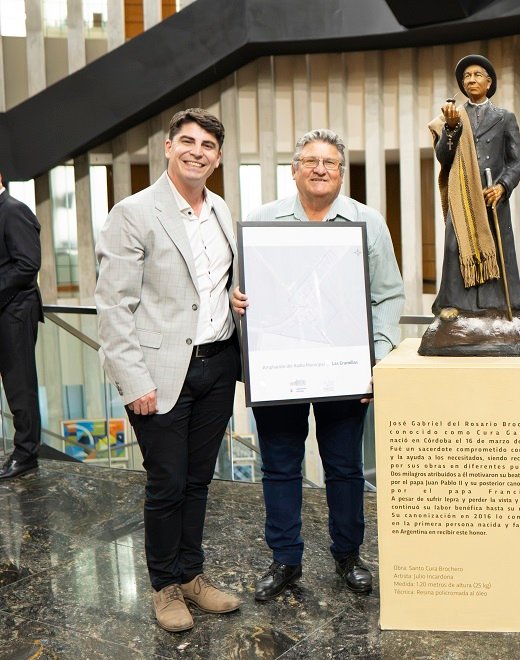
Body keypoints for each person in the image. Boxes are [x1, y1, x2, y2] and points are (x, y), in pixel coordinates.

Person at [232, 129, 403, 602]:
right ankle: (285, 559)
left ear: (341, 173)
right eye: (311, 161)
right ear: (295, 170)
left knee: (345, 468)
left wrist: (375, 359)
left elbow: (389, 295)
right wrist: (236, 300)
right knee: (279, 467)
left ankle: (348, 556)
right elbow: (239, 290)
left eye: (330, 163)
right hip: (278, 366)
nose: (321, 169)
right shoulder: (262, 220)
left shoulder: (367, 222)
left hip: (345, 368)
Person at [95, 108, 242, 632]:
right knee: (167, 482)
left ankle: (192, 574)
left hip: (218, 363)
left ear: (217, 157)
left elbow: (213, 284)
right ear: (168, 147)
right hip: (159, 372)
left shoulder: (220, 209)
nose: (197, 152)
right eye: (188, 141)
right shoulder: (134, 212)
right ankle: (165, 587)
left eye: (208, 145)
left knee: (199, 480)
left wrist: (234, 298)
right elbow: (114, 306)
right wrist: (134, 381)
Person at [421, 54, 520, 355]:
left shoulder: (505, 117)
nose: (471, 80)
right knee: (455, 248)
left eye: (477, 75)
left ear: (489, 82)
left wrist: (503, 187)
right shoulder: (453, 117)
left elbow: (516, 162)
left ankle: (498, 307)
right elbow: (444, 158)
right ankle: (454, 305)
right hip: (462, 195)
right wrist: (452, 130)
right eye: (466, 76)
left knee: (499, 251)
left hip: (492, 198)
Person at [0, 172, 43, 481]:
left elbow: (28, 264)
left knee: (20, 386)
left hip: (14, 313)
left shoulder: (14, 210)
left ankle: (26, 455)